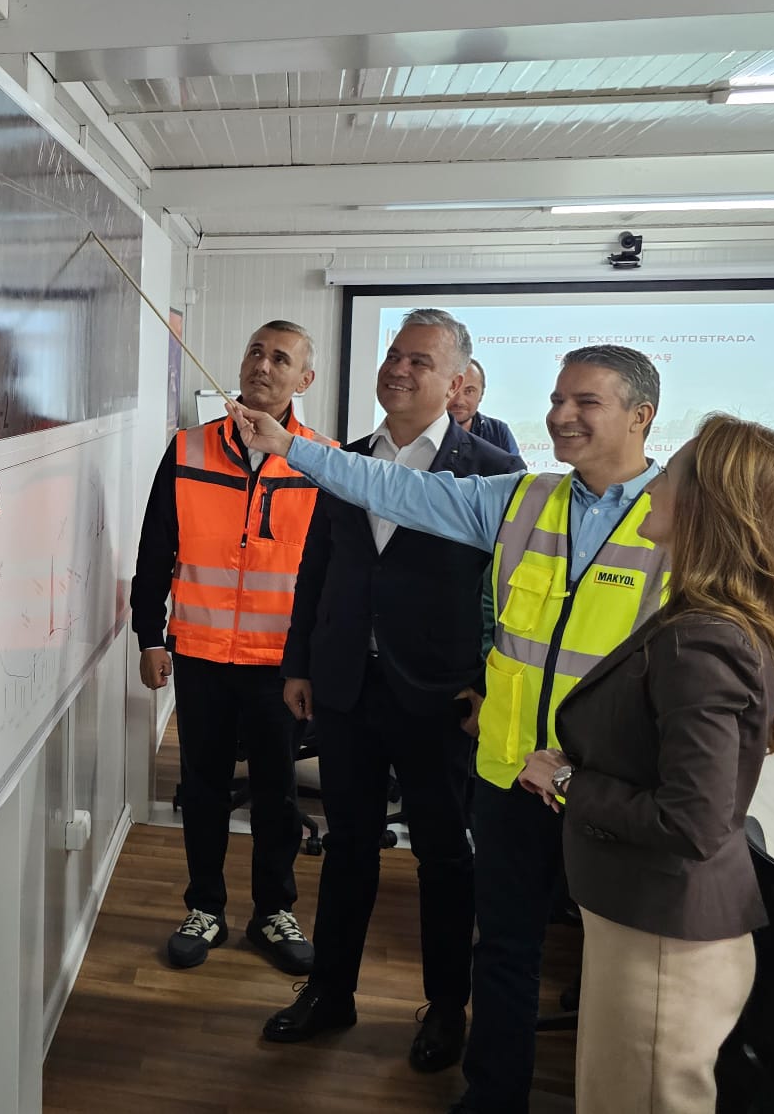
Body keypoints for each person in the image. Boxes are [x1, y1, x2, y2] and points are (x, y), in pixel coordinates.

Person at [230, 344, 670, 1114]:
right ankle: (492, 1097)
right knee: (505, 950)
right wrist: (290, 447)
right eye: (557, 399)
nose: (561, 416)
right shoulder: (522, 498)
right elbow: (396, 489)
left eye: (586, 402)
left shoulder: (683, 520)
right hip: (512, 771)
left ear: (642, 416)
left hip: (611, 787)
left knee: (625, 971)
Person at [515, 414, 774, 1114]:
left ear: (713, 507)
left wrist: (567, 782)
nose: (655, 482)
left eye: (673, 472)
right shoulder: (706, 623)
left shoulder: (703, 641)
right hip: (648, 929)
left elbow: (692, 820)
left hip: (661, 948)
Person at [263, 310, 523, 1073]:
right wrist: (299, 663)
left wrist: (488, 685)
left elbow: (512, 594)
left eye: (420, 361)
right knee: (348, 845)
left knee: (444, 855)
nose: (399, 370)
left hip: (441, 696)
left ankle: (445, 1008)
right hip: (347, 684)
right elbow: (319, 567)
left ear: (457, 382)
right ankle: (329, 992)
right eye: (393, 356)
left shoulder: (491, 472)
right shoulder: (345, 460)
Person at [130, 320, 331, 974]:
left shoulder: (320, 461)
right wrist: (148, 634)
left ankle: (274, 912)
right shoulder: (189, 449)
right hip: (201, 655)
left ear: (304, 380)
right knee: (203, 788)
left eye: (281, 359)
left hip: (280, 668)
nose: (262, 366)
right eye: (255, 352)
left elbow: (330, 576)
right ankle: (205, 908)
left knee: (277, 795)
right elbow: (154, 551)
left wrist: (314, 663)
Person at [451, 359, 522, 462]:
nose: (459, 401)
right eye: (453, 389)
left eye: (469, 391)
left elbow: (516, 471)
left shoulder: (498, 431)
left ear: (481, 394)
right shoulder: (426, 430)